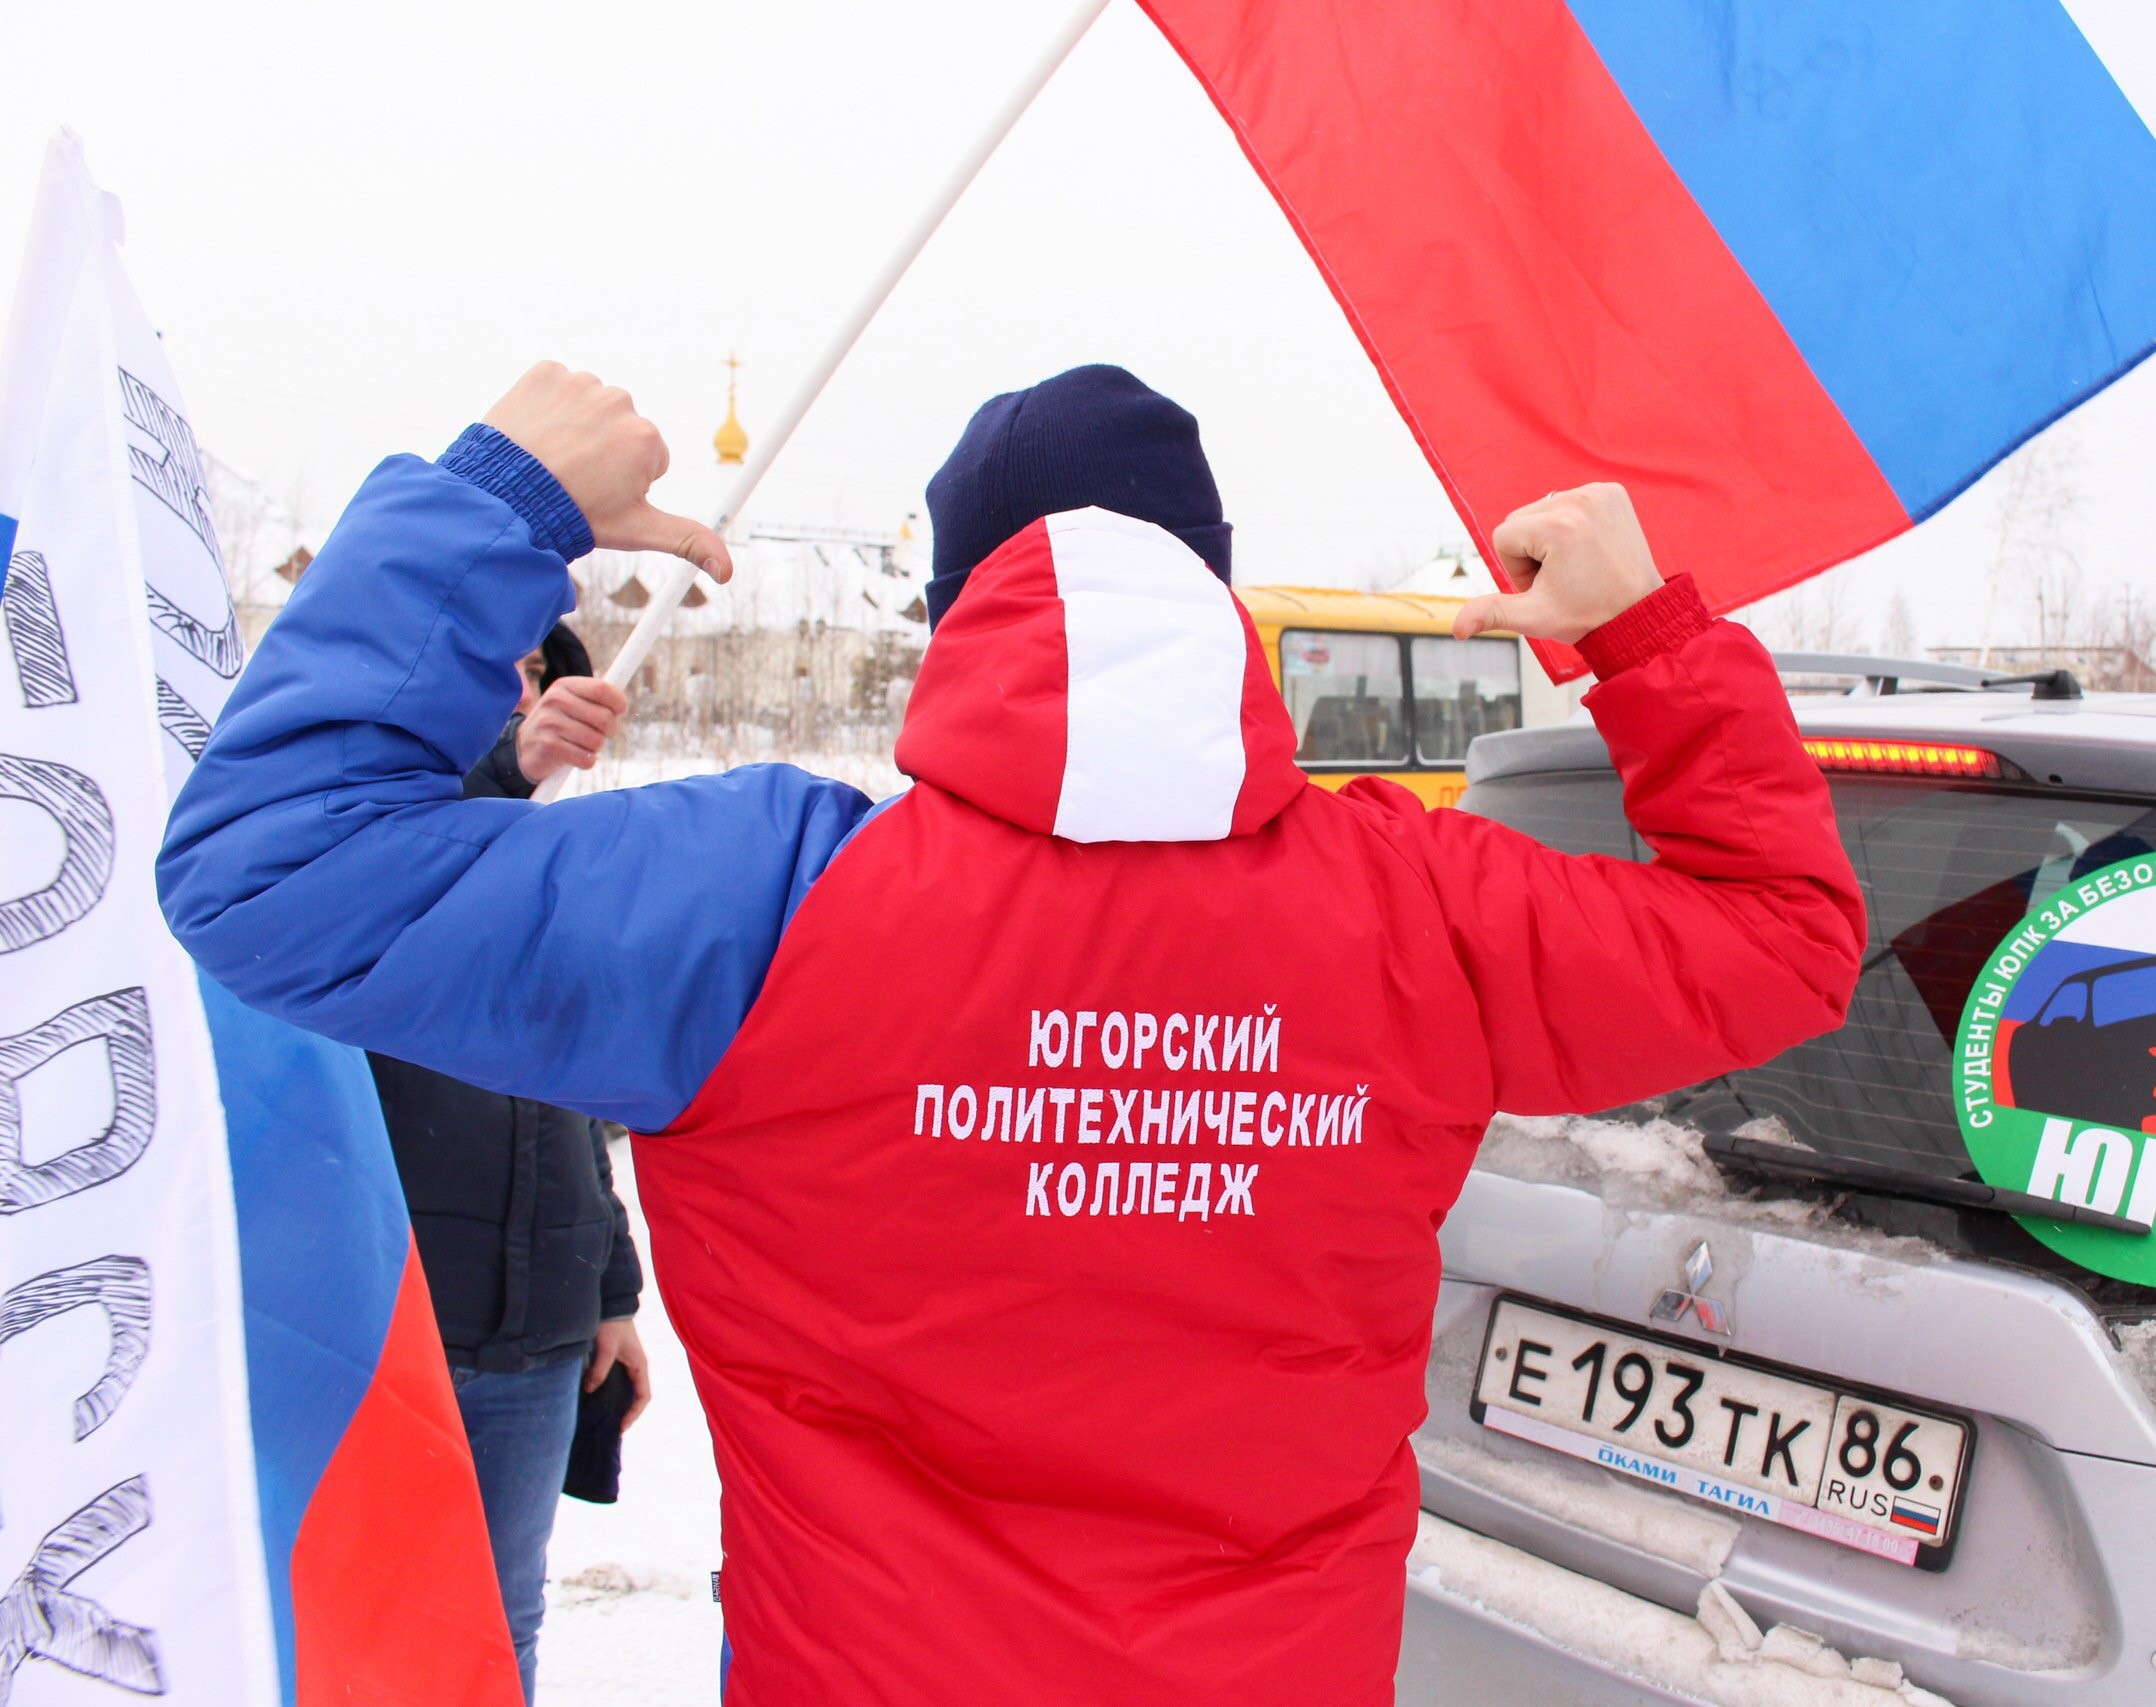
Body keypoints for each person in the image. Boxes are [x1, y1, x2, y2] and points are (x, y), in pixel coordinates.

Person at [160, 361, 1865, 1705]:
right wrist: (1645, 643)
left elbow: (268, 865)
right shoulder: (1418, 909)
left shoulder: (757, 903)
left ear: (959, 601)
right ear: (1209, 591)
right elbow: (1786, 944)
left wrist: (498, 505)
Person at [364, 622, 650, 1703]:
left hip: (538, 1338)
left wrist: (612, 1294)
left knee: (500, 1626)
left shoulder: (556, 871)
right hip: (391, 1336)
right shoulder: (350, 842)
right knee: (367, 1620)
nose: (527, 694)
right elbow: (414, 856)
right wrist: (511, 768)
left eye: (542, 675)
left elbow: (575, 1094)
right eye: (507, 673)